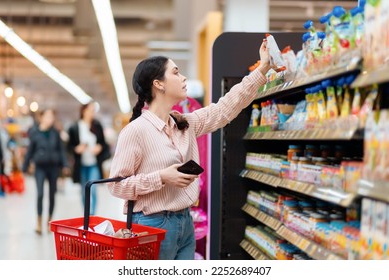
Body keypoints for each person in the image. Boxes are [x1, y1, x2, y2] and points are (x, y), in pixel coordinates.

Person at [108, 40, 270, 260]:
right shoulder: (135, 132)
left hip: (185, 222)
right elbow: (117, 186)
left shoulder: (185, 124)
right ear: (159, 84)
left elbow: (225, 108)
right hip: (151, 225)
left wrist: (263, 69)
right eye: (176, 73)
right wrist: (162, 177)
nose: (183, 78)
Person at [22, 109, 70, 234]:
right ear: (41, 117)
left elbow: (61, 150)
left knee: (52, 195)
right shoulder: (35, 133)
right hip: (40, 167)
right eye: (48, 116)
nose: (50, 119)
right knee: (40, 194)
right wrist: (25, 166)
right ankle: (38, 223)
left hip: (53, 167)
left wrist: (65, 165)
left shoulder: (55, 133)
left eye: (52, 117)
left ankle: (49, 221)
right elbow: (30, 151)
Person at [67, 101, 110, 216]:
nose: (92, 112)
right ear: (84, 111)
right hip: (81, 165)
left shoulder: (97, 126)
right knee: (83, 191)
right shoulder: (75, 127)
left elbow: (104, 144)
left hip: (94, 164)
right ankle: (86, 213)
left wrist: (99, 147)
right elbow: (69, 146)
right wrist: (77, 149)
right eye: (90, 110)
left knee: (93, 189)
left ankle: (92, 215)